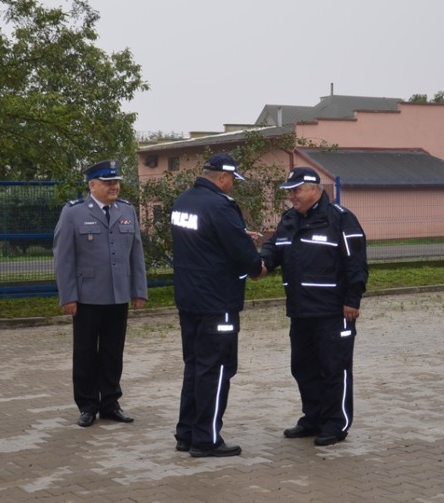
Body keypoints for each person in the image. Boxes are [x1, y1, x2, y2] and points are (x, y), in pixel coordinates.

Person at [260, 166, 368, 446]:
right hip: (300, 311)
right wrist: (259, 262)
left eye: (296, 191)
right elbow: (274, 249)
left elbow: (355, 263)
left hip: (333, 311)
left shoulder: (341, 220)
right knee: (304, 367)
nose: (292, 197)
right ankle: (314, 417)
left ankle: (336, 423)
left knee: (334, 368)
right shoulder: (289, 220)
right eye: (289, 192)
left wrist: (352, 300)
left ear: (313, 188)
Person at [170, 153, 264, 457]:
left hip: (190, 299)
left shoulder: (184, 201)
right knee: (217, 369)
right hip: (217, 301)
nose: (232, 187)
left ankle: (186, 433)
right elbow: (242, 254)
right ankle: (206, 439)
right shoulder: (221, 205)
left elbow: (205, 241)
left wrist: (237, 235)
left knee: (195, 366)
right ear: (223, 178)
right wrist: (257, 265)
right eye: (232, 181)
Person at [53, 159, 148, 428]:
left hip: (118, 295)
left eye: (116, 182)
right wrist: (68, 296)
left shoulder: (127, 210)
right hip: (87, 296)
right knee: (85, 352)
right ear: (92, 185)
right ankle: (87, 405)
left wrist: (139, 290)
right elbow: (64, 258)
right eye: (108, 183)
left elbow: (136, 254)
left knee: (112, 352)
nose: (114, 186)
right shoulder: (73, 212)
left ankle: (110, 402)